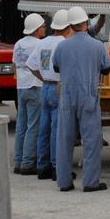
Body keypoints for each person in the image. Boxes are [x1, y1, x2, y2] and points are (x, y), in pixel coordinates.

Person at [54, 6, 110, 192]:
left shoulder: (61, 46)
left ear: (70, 25)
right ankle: (90, 182)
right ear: (86, 22)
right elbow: (106, 68)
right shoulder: (97, 45)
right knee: (91, 140)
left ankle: (64, 182)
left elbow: (56, 68)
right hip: (88, 97)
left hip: (67, 97)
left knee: (64, 140)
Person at [30, 10, 71, 179]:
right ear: (68, 27)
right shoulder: (64, 43)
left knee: (44, 128)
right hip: (58, 86)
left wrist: (44, 77)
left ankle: (42, 166)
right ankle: (56, 167)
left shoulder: (42, 43)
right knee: (57, 129)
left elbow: (31, 65)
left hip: (45, 86)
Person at [10, 14, 45, 174]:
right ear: (37, 28)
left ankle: (18, 162)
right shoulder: (40, 44)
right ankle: (28, 163)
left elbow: (14, 65)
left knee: (21, 126)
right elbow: (44, 66)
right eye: (43, 26)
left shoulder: (18, 44)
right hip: (35, 85)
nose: (44, 29)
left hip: (21, 87)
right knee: (33, 126)